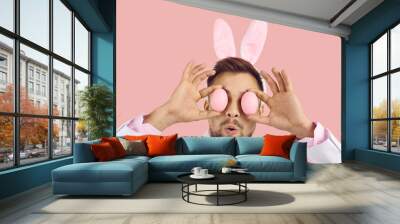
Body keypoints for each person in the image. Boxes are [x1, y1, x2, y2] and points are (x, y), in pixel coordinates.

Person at [117, 57, 341, 163]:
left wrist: (301, 127)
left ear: (261, 109)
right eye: (222, 99)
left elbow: (336, 168)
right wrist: (167, 114)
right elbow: (117, 157)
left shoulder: (281, 157)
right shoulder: (178, 153)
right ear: (206, 105)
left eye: (246, 100)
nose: (233, 112)